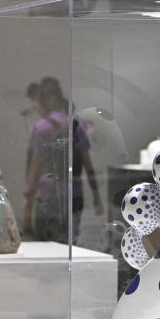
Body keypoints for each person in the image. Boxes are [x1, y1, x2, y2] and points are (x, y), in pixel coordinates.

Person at [22, 77, 103, 243]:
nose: (35, 107)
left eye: (37, 102)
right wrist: (96, 197)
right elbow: (88, 165)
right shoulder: (77, 126)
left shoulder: (41, 127)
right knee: (70, 245)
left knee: (46, 251)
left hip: (48, 197)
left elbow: (35, 169)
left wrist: (28, 204)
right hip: (75, 196)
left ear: (46, 101)